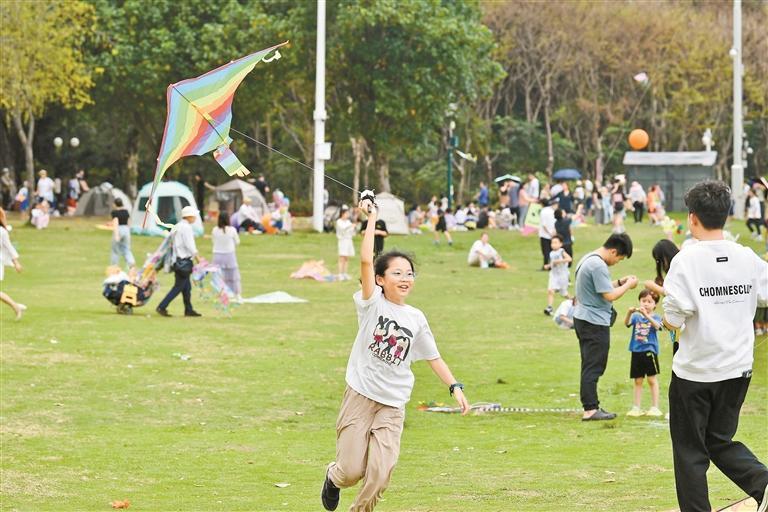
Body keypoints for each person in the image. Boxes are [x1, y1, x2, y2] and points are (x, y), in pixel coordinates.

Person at [320, 197, 469, 512]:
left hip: (393, 402)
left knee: (380, 472)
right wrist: (372, 218)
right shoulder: (372, 303)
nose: (405, 279)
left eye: (410, 274)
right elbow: (364, 261)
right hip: (360, 396)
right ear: (380, 279)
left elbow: (433, 357)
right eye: (398, 273)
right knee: (351, 472)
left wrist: (455, 386)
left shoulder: (416, 318)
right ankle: (332, 477)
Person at [662, 180, 768, 512]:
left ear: (692, 218)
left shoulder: (686, 260)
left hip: (695, 372)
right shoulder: (746, 257)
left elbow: (674, 320)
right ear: (726, 215)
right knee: (719, 440)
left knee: (690, 451)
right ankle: (763, 483)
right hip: (737, 369)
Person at [573, 233, 638, 421]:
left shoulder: (588, 259)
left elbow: (601, 287)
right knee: (594, 366)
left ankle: (590, 405)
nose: (617, 262)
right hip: (593, 322)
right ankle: (590, 409)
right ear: (613, 251)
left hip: (584, 318)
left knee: (589, 364)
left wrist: (619, 282)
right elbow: (609, 296)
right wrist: (629, 286)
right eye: (619, 258)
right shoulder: (598, 265)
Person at [156, 206, 202, 317]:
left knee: (186, 287)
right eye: (194, 215)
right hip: (184, 261)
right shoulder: (186, 228)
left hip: (177, 260)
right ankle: (162, 306)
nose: (195, 218)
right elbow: (190, 245)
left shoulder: (177, 226)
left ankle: (188, 309)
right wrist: (198, 258)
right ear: (189, 216)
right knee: (178, 287)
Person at [624, 290, 663, 417]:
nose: (646, 304)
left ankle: (655, 407)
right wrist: (630, 312)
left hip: (649, 351)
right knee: (638, 380)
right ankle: (636, 407)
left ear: (655, 305)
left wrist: (646, 316)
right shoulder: (636, 317)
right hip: (636, 351)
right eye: (643, 301)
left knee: (652, 379)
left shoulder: (656, 317)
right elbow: (627, 323)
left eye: (649, 302)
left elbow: (658, 327)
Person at [0, 208, 26, 320]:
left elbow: (9, 247)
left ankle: (16, 307)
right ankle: (16, 306)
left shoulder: (2, 232)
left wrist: (16, 263)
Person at [212, 212, 242, 302]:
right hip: (229, 255)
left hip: (217, 255)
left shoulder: (215, 230)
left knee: (218, 276)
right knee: (233, 275)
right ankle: (237, 295)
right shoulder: (232, 230)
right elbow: (237, 242)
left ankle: (221, 294)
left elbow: (213, 241)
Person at [544, 235, 572, 315]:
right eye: (552, 243)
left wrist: (560, 261)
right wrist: (548, 266)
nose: (553, 244)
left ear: (560, 244)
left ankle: (575, 302)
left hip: (562, 276)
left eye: (556, 243)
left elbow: (569, 259)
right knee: (550, 290)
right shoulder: (551, 253)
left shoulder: (561, 251)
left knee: (564, 293)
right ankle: (549, 307)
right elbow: (553, 263)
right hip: (553, 275)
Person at [110, 198, 136, 269]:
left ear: (115, 204)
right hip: (126, 230)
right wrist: (128, 231)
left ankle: (114, 266)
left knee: (115, 249)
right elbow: (129, 222)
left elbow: (115, 222)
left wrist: (116, 235)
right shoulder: (126, 212)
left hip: (119, 229)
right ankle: (131, 262)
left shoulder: (114, 212)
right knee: (126, 248)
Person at [336, 205, 355, 280]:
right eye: (346, 213)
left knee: (346, 258)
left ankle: (345, 273)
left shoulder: (348, 222)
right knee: (342, 257)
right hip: (342, 241)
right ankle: (340, 274)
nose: (347, 215)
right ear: (342, 214)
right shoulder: (339, 221)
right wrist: (351, 226)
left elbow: (351, 231)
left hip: (348, 240)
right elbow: (343, 229)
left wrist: (352, 227)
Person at [538, 199, 557, 269]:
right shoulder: (552, 211)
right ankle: (551, 265)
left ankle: (546, 265)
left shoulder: (543, 212)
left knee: (545, 251)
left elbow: (544, 224)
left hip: (544, 234)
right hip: (552, 233)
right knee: (551, 251)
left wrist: (548, 232)